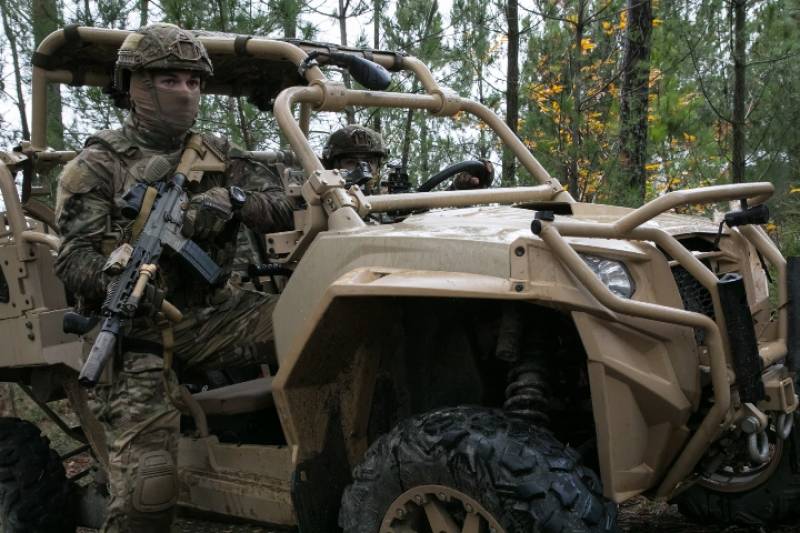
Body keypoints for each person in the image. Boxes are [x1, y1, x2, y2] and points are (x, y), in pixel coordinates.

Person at [54, 23, 294, 532]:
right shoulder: (95, 167)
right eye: (169, 80)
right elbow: (71, 261)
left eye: (193, 81)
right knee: (148, 493)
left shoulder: (217, 154)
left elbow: (285, 203)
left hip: (216, 312)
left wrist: (232, 202)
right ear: (133, 85)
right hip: (135, 335)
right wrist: (118, 278)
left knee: (315, 321)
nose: (185, 92)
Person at [321, 124, 494, 194]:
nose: (363, 169)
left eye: (370, 162)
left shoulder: (389, 199)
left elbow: (428, 215)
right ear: (332, 166)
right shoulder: (317, 207)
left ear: (378, 167)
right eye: (351, 162)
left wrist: (458, 188)